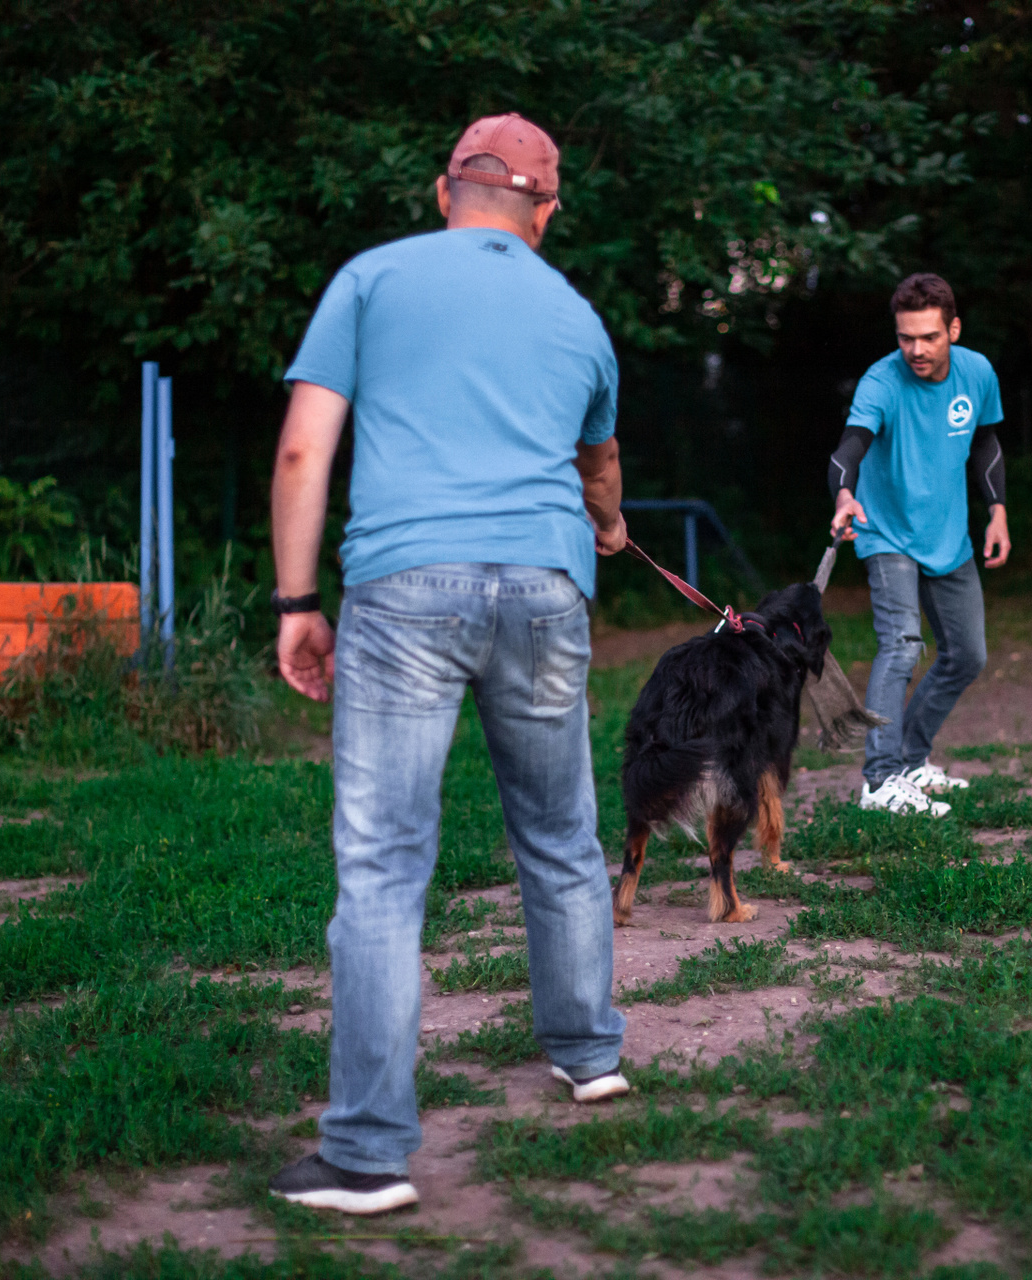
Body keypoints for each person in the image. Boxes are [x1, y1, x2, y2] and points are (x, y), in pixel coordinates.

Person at [265, 114, 631, 1216]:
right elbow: (599, 467)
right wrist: (608, 525)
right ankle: (589, 1052)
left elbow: (304, 448)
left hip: (406, 587)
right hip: (544, 586)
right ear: (546, 211)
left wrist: (296, 603)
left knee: (384, 864)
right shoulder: (578, 316)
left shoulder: (372, 280)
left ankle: (367, 1152)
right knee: (560, 828)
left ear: (444, 192)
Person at [828, 272, 1008, 816]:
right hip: (886, 532)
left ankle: (909, 761)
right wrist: (844, 495)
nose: (917, 350)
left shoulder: (977, 372)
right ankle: (880, 781)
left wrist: (997, 511)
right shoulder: (881, 381)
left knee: (968, 655)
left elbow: (986, 441)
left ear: (953, 329)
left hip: (948, 535)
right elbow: (849, 448)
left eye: (929, 336)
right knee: (902, 644)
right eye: (906, 337)